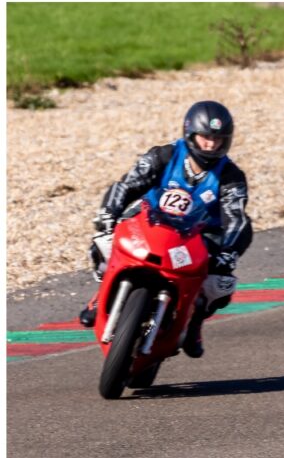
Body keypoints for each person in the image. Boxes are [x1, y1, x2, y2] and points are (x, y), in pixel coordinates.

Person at [79, 101, 253, 358]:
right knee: (103, 242)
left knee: (220, 284)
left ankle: (193, 322)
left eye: (217, 139)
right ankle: (101, 293)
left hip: (198, 236)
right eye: (205, 137)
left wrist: (228, 253)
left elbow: (236, 217)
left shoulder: (231, 176)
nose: (210, 145)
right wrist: (108, 214)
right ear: (190, 134)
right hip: (150, 221)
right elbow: (127, 185)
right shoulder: (164, 155)